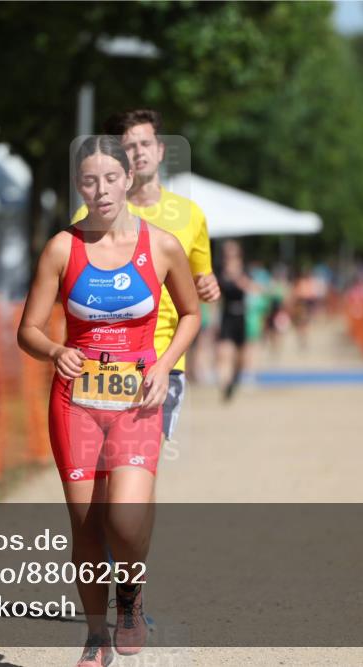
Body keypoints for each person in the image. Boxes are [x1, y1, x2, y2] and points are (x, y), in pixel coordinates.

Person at [18, 135, 199, 666]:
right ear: (79, 185)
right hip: (75, 403)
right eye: (89, 181)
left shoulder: (161, 246)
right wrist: (56, 351)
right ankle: (97, 637)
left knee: (125, 519)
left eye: (111, 179)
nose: (100, 190)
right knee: (88, 529)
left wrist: (164, 366)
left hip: (138, 401)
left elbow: (191, 314)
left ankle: (131, 597)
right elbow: (27, 330)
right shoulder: (61, 248)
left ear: (128, 180)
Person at [72, 109, 219, 448]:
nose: (139, 152)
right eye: (129, 146)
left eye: (146, 144)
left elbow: (202, 280)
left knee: (139, 460)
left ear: (161, 150)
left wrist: (209, 285)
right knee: (102, 465)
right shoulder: (92, 212)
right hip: (101, 360)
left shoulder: (190, 215)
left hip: (164, 358)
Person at [216, 240, 259, 402]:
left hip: (242, 316)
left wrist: (238, 278)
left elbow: (254, 289)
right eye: (227, 254)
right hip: (226, 316)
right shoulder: (219, 272)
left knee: (240, 357)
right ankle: (224, 385)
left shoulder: (245, 271)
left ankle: (234, 381)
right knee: (224, 353)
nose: (230, 257)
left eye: (233, 253)